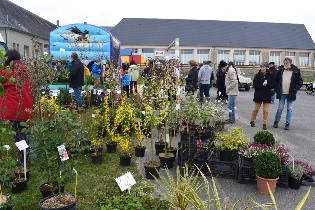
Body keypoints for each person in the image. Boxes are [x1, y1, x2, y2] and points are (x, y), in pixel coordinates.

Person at [0, 49, 33, 163]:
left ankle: (23, 158)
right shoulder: (26, 70)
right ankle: (29, 152)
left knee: (18, 134)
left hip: (15, 108)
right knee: (26, 131)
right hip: (27, 105)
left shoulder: (7, 72)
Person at [273, 57, 303, 130]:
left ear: (290, 63)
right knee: (280, 108)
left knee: (289, 109)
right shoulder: (280, 70)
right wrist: (277, 89)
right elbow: (275, 80)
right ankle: (276, 121)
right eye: (284, 63)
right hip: (282, 92)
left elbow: (300, 82)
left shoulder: (295, 71)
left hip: (290, 93)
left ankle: (287, 124)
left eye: (287, 63)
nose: (286, 64)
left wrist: (295, 89)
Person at [250, 62, 274, 130]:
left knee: (265, 111)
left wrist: (267, 84)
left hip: (267, 95)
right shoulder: (257, 75)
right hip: (258, 95)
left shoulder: (270, 75)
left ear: (266, 68)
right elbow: (254, 85)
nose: (262, 68)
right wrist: (262, 85)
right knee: (256, 109)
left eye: (264, 67)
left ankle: (264, 123)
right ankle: (252, 120)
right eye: (261, 67)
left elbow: (272, 85)